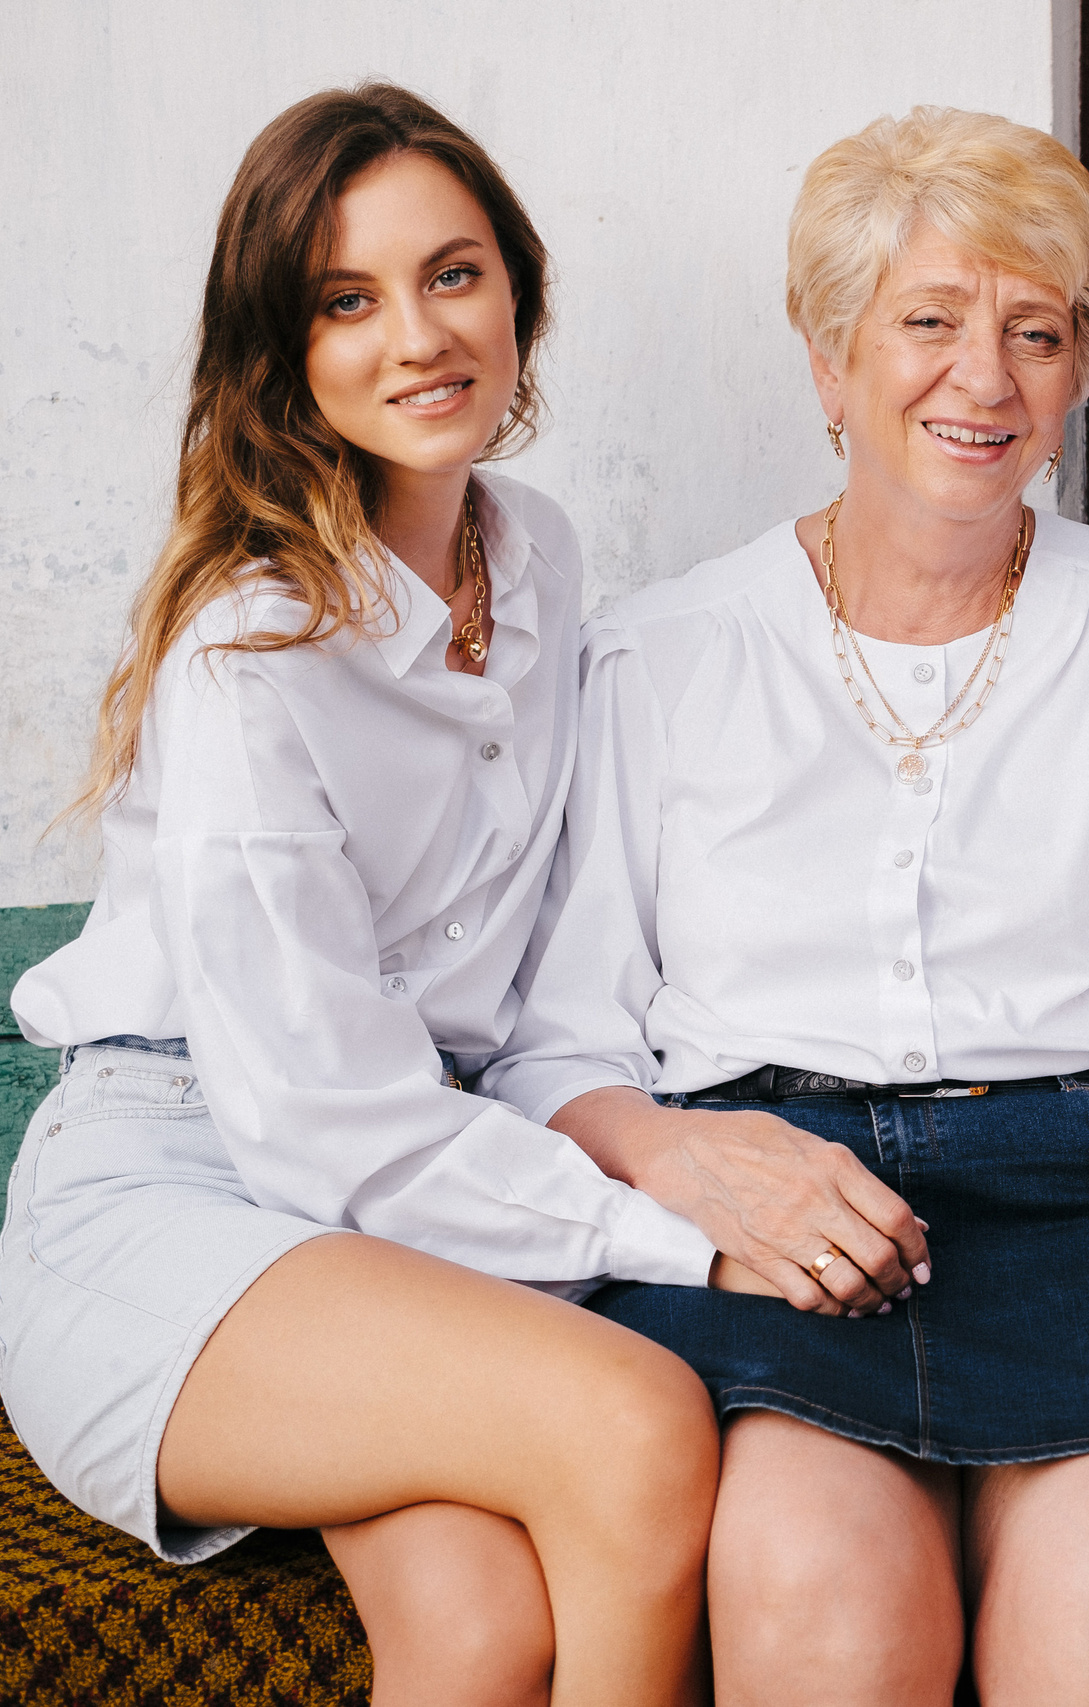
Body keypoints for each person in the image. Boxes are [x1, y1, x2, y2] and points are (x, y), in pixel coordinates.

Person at [482, 106, 1089, 1707]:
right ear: (831, 359)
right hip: (772, 1206)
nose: (984, 376)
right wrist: (697, 1160)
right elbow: (553, 1050)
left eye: (1035, 332)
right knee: (819, 1604)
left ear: (1077, 372)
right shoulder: (660, 654)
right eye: (929, 321)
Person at [1, 85, 721, 1706]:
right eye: (348, 299)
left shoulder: (532, 552)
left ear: (519, 296)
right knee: (638, 1421)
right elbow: (323, 1121)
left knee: (483, 1629)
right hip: (184, 1189)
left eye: (454, 276)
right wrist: (674, 1233)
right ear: (284, 352)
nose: (418, 337)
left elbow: (530, 987)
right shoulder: (250, 657)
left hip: (402, 1188)